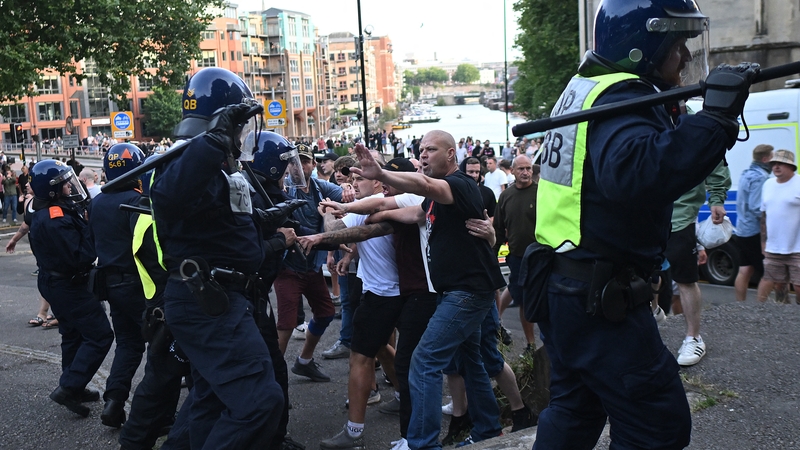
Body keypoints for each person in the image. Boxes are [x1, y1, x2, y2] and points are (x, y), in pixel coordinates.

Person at [528, 0, 759, 447]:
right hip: (598, 298)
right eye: (678, 45)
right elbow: (636, 173)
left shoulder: (587, 87)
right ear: (644, 48)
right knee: (657, 424)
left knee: (575, 409)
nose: (687, 58)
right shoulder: (622, 98)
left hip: (563, 284)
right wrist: (715, 119)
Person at [150, 67, 284, 448]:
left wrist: (263, 224)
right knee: (259, 403)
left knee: (209, 403)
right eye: (238, 125)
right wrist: (213, 141)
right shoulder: (185, 160)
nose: (243, 135)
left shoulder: (212, 166)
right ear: (223, 120)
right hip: (206, 300)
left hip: (219, 298)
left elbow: (216, 228)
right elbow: (170, 199)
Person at [350, 130, 506, 448]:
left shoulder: (458, 184)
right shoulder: (436, 196)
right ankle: (489, 430)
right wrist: (373, 213)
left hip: (466, 292)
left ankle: (423, 443)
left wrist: (380, 173)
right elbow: (416, 211)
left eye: (431, 149)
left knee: (424, 360)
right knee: (471, 358)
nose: (423, 155)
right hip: (461, 290)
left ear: (451, 154)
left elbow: (423, 185)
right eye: (420, 149)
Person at [29, 159, 113, 417]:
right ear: (53, 190)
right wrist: (93, 230)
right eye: (65, 185)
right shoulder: (55, 218)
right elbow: (81, 255)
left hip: (56, 282)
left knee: (73, 335)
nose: (70, 188)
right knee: (100, 335)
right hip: (67, 284)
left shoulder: (50, 209)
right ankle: (69, 386)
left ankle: (74, 386)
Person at [89, 143, 148, 428]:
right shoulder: (137, 202)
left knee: (128, 344)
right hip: (139, 284)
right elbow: (147, 247)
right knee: (165, 345)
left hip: (111, 284)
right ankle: (154, 413)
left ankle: (114, 400)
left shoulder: (97, 201)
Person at [275, 144, 342, 382]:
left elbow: (344, 195)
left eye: (304, 161)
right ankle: (275, 376)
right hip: (288, 268)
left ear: (313, 165)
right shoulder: (284, 190)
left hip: (312, 267)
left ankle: (304, 361)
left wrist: (349, 189)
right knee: (287, 322)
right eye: (294, 162)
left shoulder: (321, 187)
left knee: (325, 313)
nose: (299, 166)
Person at [665, 159, 730, 366]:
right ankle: (652, 318)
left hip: (678, 217)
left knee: (685, 280)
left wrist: (717, 199)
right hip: (644, 214)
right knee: (641, 274)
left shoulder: (688, 126)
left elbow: (713, 158)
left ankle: (694, 337)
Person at [493, 155, 538, 353]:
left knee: (543, 299)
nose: (526, 172)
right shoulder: (506, 196)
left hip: (541, 256)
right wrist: (492, 255)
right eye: (521, 169)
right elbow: (499, 229)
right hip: (518, 256)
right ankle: (531, 344)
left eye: (528, 168)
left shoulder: (541, 193)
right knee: (523, 300)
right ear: (513, 170)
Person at [756, 150, 800, 304]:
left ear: (791, 166)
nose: (776, 166)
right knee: (777, 283)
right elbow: (764, 216)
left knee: (798, 286)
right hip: (773, 246)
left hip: (797, 247)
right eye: (774, 163)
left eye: (780, 163)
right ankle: (781, 313)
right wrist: (763, 243)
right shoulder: (768, 184)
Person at [733, 144, 774, 301]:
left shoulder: (745, 174)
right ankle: (759, 309)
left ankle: (740, 306)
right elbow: (757, 207)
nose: (773, 162)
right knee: (769, 272)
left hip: (742, 230)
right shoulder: (760, 178)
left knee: (745, 269)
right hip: (754, 232)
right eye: (772, 158)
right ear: (765, 159)